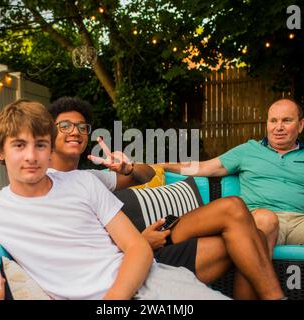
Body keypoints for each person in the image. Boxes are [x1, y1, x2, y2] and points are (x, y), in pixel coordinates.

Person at [0, 99, 233, 300]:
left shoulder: (84, 182)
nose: (31, 156)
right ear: (0, 152)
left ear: (50, 149)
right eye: (19, 145)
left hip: (149, 284)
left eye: (40, 145)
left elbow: (136, 247)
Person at [47, 97, 285, 300]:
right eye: (65, 125)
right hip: (134, 254)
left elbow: (147, 175)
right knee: (245, 226)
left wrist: (128, 169)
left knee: (247, 230)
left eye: (81, 126)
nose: (75, 132)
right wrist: (139, 242)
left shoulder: (90, 177)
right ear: (48, 132)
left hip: (149, 239)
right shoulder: (46, 185)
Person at [162, 98, 304, 300]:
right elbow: (205, 167)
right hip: (259, 218)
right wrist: (163, 165)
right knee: (265, 219)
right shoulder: (248, 150)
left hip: (303, 222)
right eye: (273, 121)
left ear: (301, 125)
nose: (278, 127)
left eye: (286, 120)